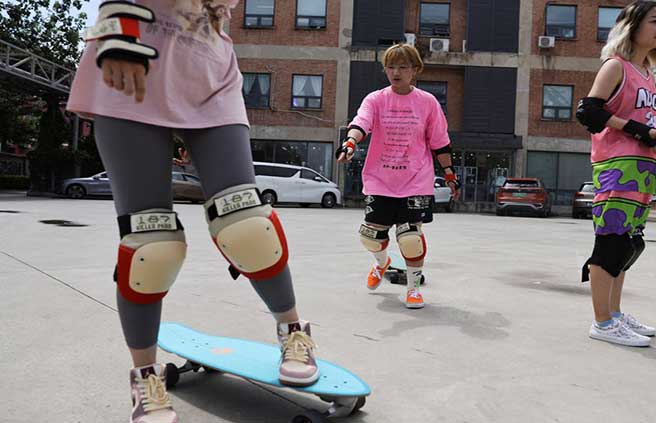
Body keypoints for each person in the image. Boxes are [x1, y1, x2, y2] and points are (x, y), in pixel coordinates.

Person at [67, 2, 319, 422]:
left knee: (248, 226)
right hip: (133, 53)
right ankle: (146, 377)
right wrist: (119, 28)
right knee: (151, 244)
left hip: (207, 69)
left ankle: (294, 331)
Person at [575, 1, 656, 347]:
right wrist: (634, 130)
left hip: (642, 168)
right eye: (654, 21)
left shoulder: (647, 74)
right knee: (611, 241)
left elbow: (650, 126)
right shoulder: (615, 66)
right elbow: (587, 111)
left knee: (630, 245)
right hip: (617, 167)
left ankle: (614, 314)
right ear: (632, 25)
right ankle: (602, 322)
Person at [337, 43, 460, 309]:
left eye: (403, 67)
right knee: (370, 237)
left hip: (415, 181)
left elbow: (440, 142)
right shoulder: (376, 99)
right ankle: (382, 264)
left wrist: (449, 174)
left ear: (415, 70)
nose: (396, 72)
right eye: (391, 67)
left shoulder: (427, 103)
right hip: (381, 180)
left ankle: (413, 288)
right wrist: (350, 142)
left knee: (410, 239)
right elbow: (361, 122)